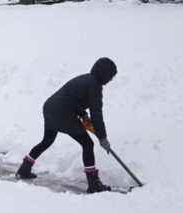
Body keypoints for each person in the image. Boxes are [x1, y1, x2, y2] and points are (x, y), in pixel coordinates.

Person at [16, 57, 117, 194]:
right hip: (62, 113)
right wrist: (102, 137)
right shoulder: (95, 86)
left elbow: (71, 98)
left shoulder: (85, 78)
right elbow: (96, 114)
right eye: (110, 76)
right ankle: (94, 184)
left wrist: (82, 115)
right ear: (105, 74)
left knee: (47, 141)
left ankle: (24, 169)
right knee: (88, 144)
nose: (110, 80)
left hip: (50, 108)